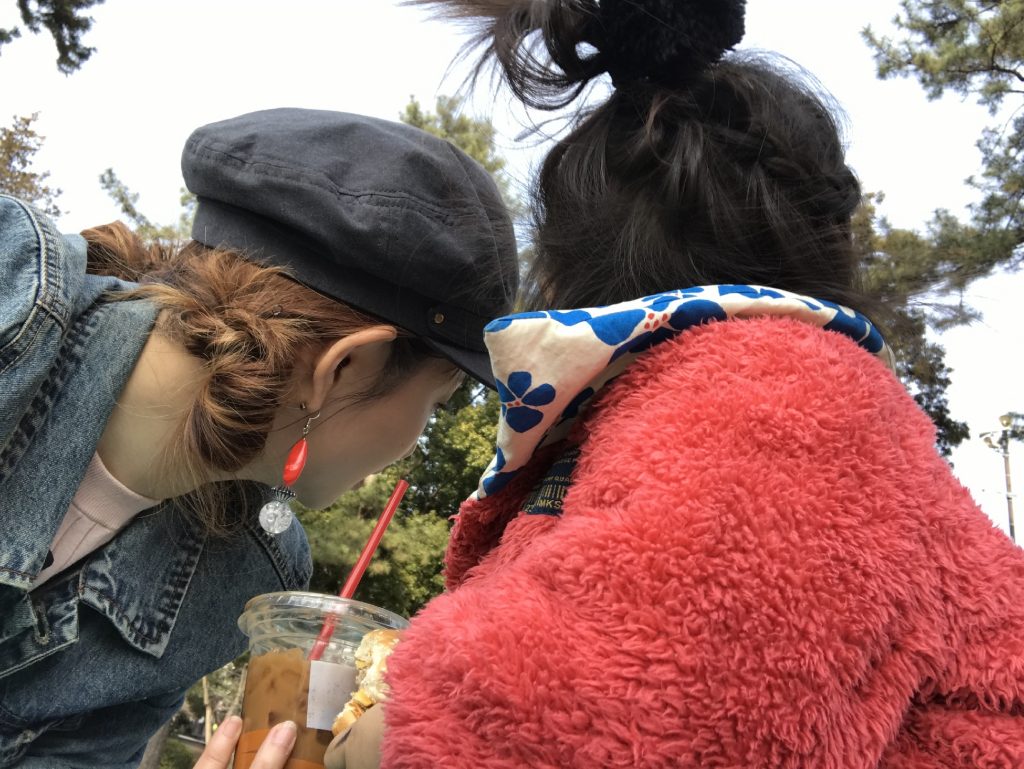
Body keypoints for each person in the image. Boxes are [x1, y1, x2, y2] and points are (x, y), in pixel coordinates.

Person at [325, 1, 1024, 767]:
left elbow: (632, 715)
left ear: (564, 277)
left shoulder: (779, 396)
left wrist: (365, 741)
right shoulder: (756, 395)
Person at [0, 107, 517, 767]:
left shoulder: (240, 572)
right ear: (343, 367)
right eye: (435, 403)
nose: (414, 444)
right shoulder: (12, 290)